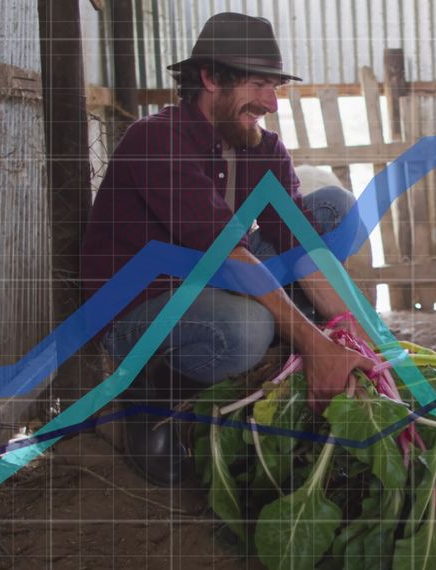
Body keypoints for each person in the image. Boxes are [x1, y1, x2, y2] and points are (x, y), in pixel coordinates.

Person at [79, 12, 373, 487]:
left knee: (334, 211)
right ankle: (147, 396)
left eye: (274, 86)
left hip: (208, 281)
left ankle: (289, 353)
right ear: (211, 79)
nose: (271, 102)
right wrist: (316, 345)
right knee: (246, 328)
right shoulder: (155, 139)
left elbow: (298, 246)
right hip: (140, 305)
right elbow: (229, 256)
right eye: (258, 84)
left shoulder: (262, 149)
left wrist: (360, 337)